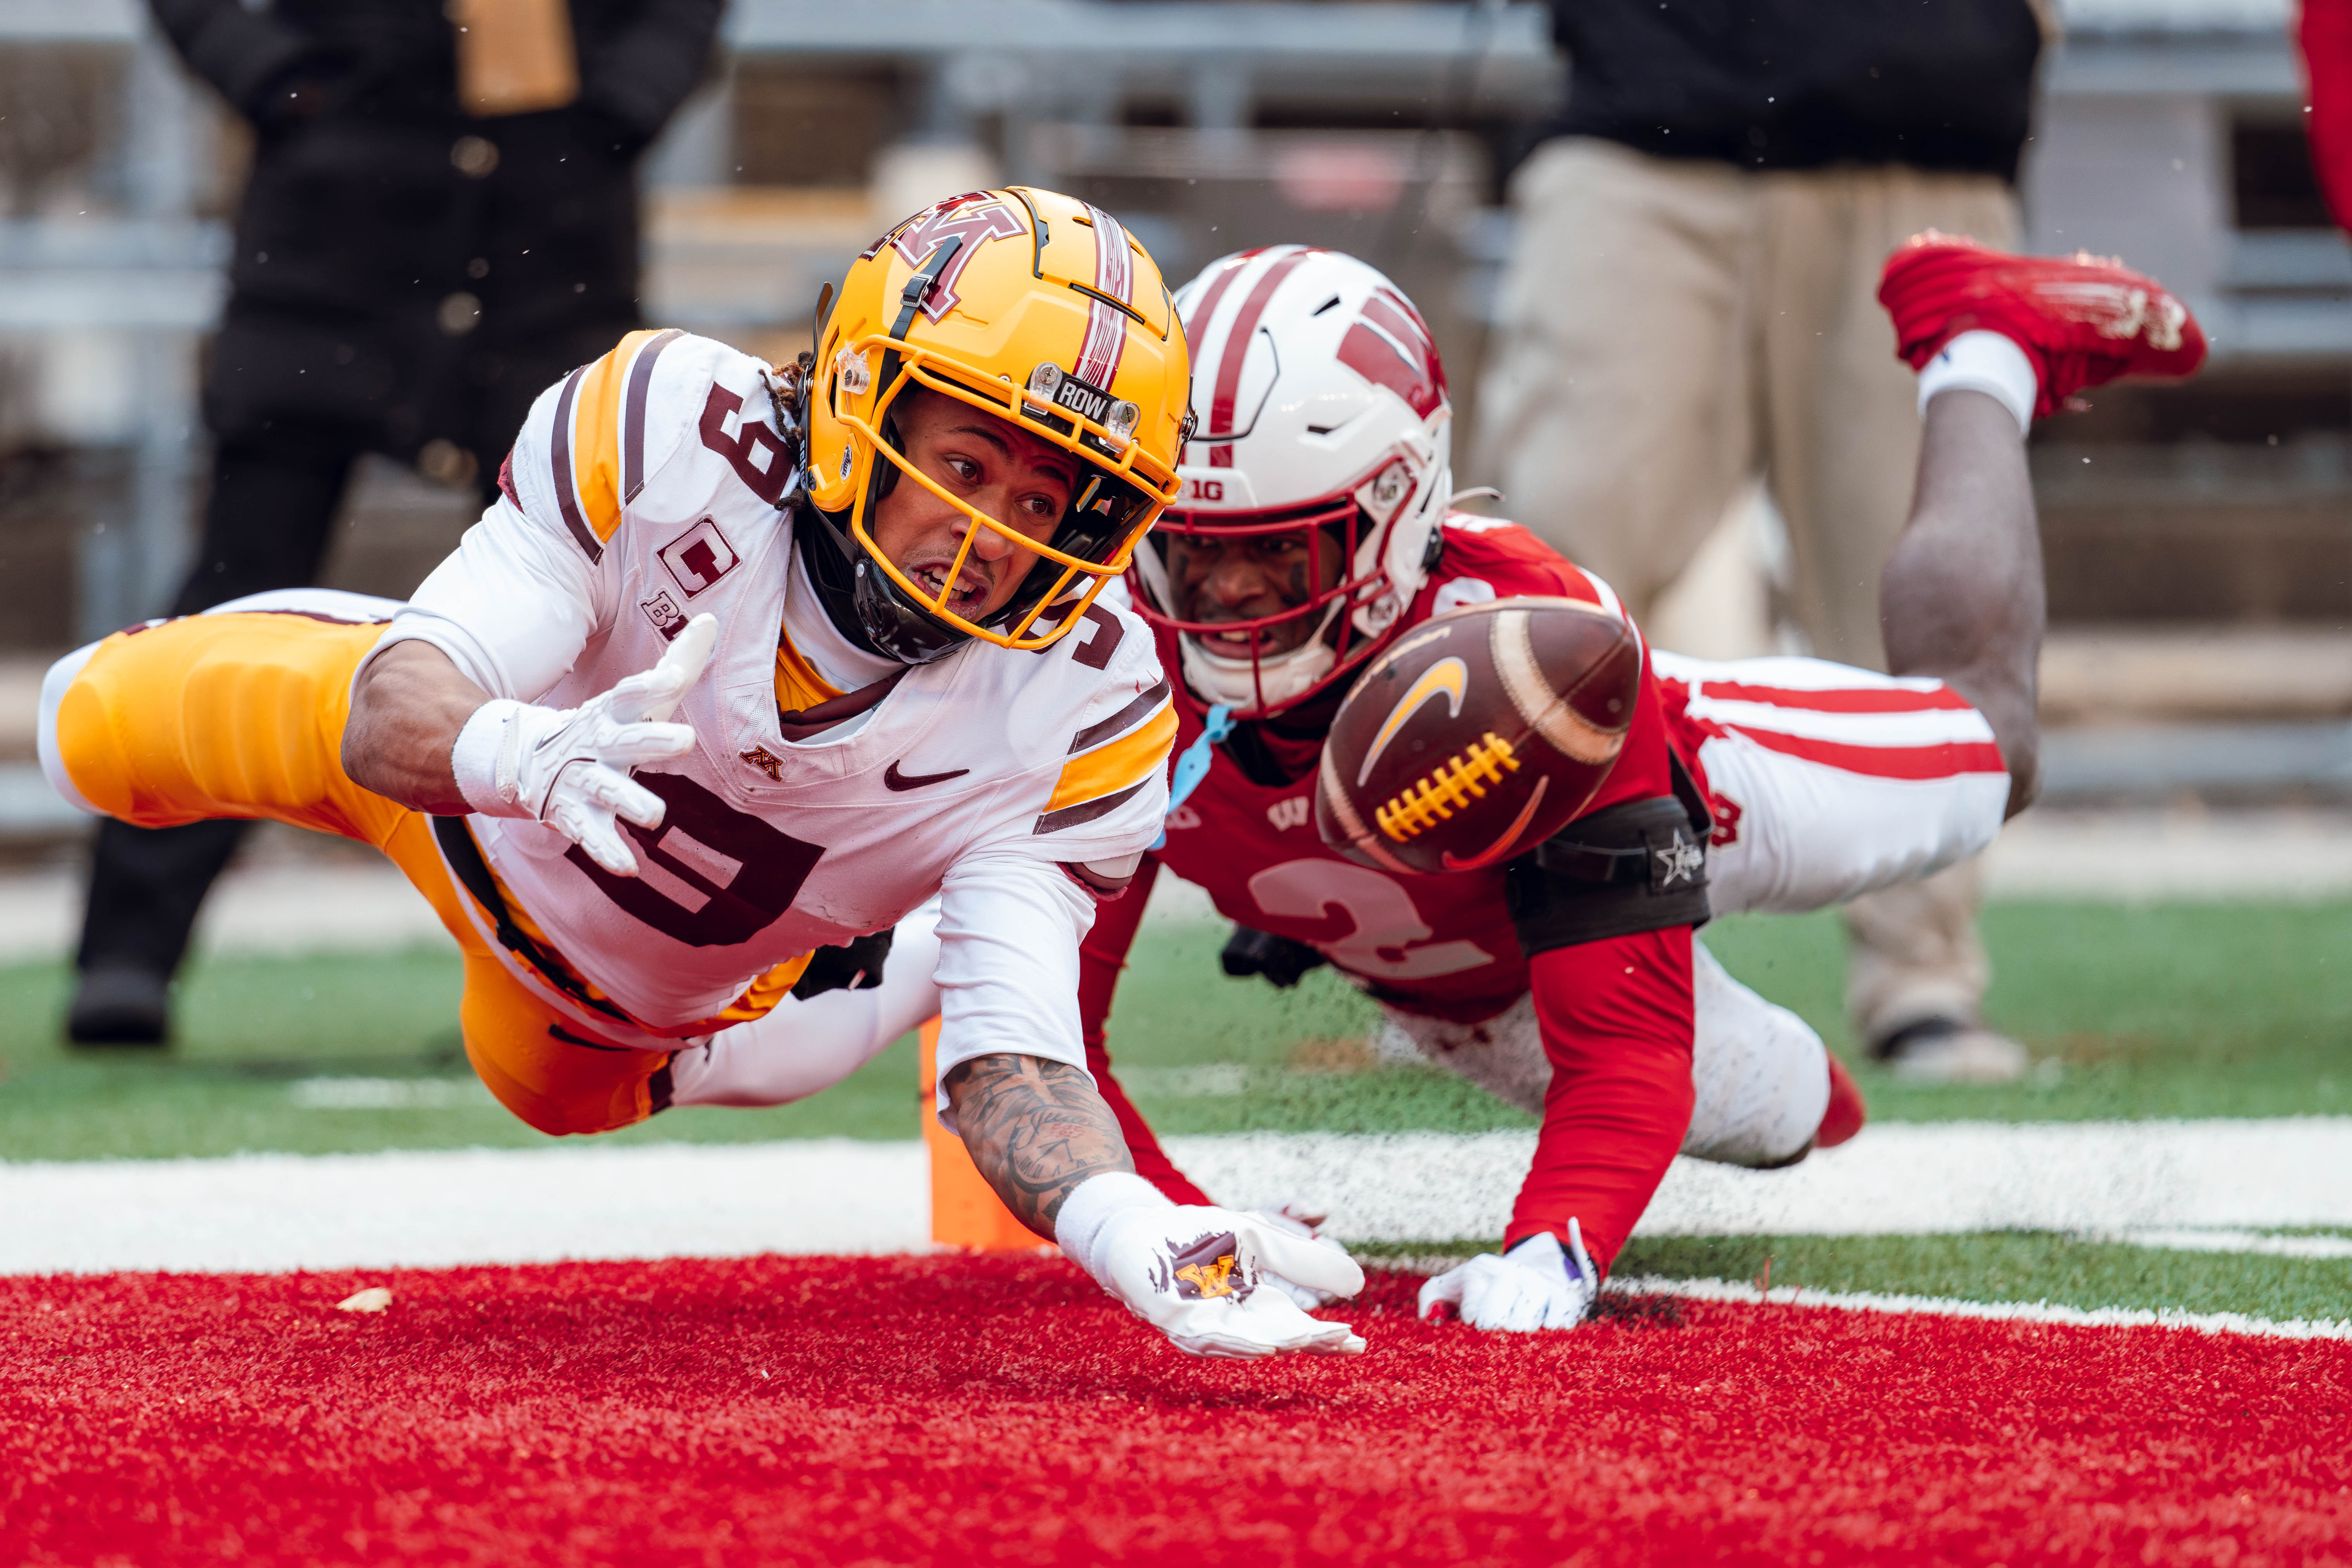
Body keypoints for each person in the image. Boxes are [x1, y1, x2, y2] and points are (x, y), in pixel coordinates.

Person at [781, 236, 2202, 1333]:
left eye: (1279, 551)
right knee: (1798, 1119)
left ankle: (1978, 350)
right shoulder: (1105, 670)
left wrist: (1556, 1244)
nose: (1223, 596)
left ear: (1399, 511)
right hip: (1458, 976)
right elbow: (1043, 1037)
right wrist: (1163, 1219)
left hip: (1718, 783)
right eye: (1188, 550)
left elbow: (1627, 1049)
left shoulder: (1539, 662)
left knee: (1993, 744)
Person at [39, 189, 1368, 1361]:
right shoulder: (678, 428)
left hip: (612, 999)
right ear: (859, 393)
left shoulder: (1093, 691)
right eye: (964, 464)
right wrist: (528, 753)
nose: (988, 536)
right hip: (445, 770)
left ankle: (901, 965)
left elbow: (1012, 1059)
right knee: (83, 726)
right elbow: (399, 716)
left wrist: (1127, 1223)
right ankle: (367, 626)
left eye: (1042, 502)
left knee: (557, 1098)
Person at [71, 0, 726, 1045]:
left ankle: (573, 973)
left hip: (548, 248)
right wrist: (279, 83)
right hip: (335, 244)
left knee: (595, 634)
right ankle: (126, 954)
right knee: (234, 598)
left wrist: (624, 100)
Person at [1473, 0, 2052, 1082]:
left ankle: (1920, 976)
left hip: (1921, 127)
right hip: (1643, 124)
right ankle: (1463, 959)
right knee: (1530, 581)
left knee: (1918, 578)